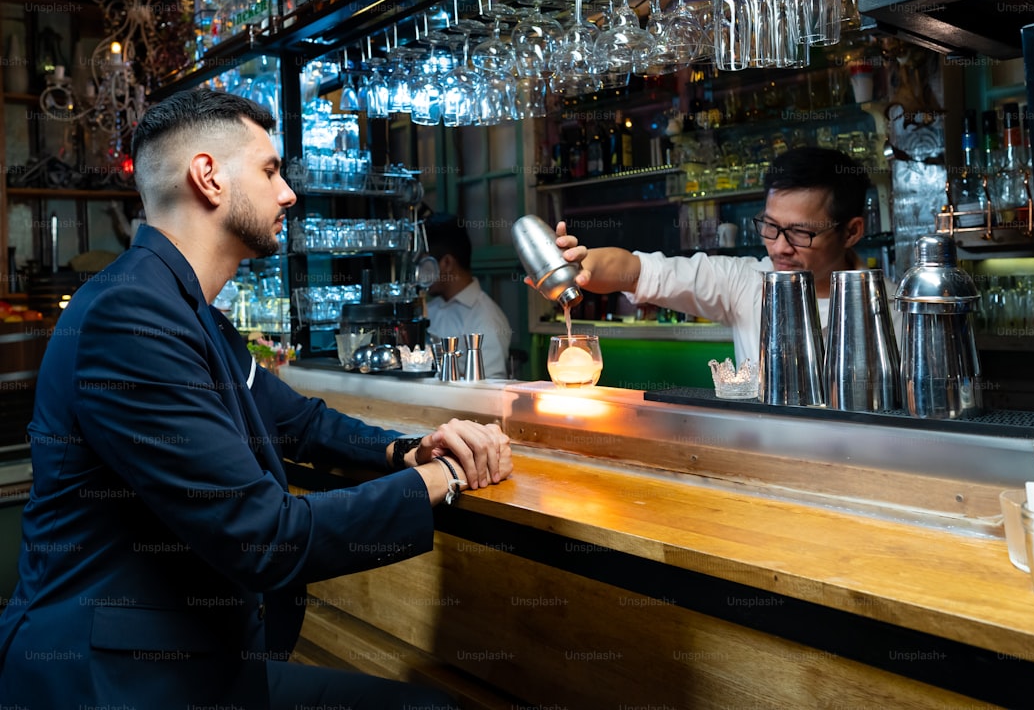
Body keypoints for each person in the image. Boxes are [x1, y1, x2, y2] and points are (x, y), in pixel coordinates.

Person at [0, 89, 511, 709]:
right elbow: (264, 538)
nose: (289, 193)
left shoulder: (185, 311)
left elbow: (298, 421)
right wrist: (441, 478)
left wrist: (407, 449)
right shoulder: (128, 317)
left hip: (197, 660)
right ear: (208, 177)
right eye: (270, 170)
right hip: (115, 682)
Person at [552, 147, 901, 365]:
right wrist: (572, 267)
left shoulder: (898, 309)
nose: (779, 247)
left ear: (852, 231)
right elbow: (633, 270)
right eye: (770, 227)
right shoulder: (745, 281)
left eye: (799, 233)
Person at [424, 213, 513, 379]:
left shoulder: (486, 318)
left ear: (447, 263)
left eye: (424, 265)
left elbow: (490, 387)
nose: (419, 275)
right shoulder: (430, 309)